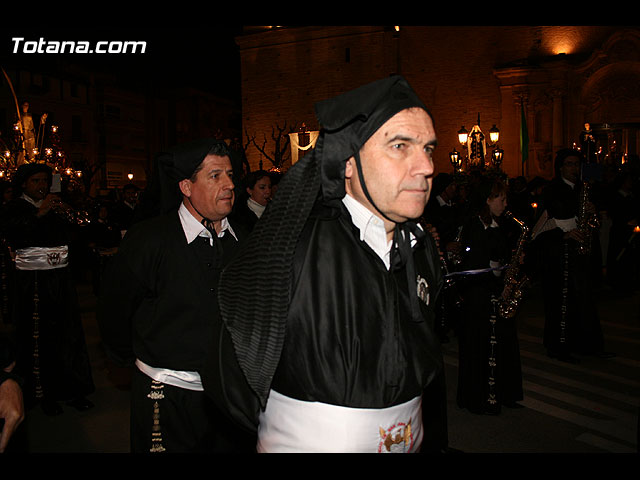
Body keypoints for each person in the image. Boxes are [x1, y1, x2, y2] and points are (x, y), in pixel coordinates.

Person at [202, 75, 445, 453]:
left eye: (428, 148)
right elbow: (229, 365)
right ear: (348, 162)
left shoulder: (421, 245)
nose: (426, 166)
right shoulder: (289, 245)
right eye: (400, 146)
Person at [97, 138, 254, 453]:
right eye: (215, 176)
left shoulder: (246, 239)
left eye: (231, 175)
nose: (229, 184)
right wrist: (139, 356)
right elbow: (115, 310)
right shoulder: (149, 239)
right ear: (186, 186)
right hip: (167, 392)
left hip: (230, 395)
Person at [0, 163, 95, 416]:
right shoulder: (15, 208)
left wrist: (70, 215)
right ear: (24, 184)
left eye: (44, 181)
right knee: (40, 337)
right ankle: (44, 394)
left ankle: (73, 390)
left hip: (60, 280)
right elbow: (12, 233)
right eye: (36, 182)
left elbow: (77, 231)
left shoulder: (55, 205)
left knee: (68, 334)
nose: (42, 186)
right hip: (32, 282)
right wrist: (39, 214)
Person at [532, 149, 614, 362]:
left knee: (585, 300)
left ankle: (588, 345)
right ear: (560, 167)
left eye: (577, 164)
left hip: (581, 255)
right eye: (569, 164)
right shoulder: (551, 191)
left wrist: (591, 212)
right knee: (560, 302)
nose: (574, 168)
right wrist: (564, 234)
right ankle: (558, 347)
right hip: (560, 255)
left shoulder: (583, 188)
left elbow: (591, 222)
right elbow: (539, 228)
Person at [454, 177, 524, 415]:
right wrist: (497, 277)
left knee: (503, 345)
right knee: (479, 347)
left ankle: (504, 393)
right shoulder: (475, 225)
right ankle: (479, 397)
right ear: (488, 199)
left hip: (495, 291)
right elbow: (474, 262)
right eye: (501, 199)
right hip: (480, 295)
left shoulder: (499, 224)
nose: (505, 204)